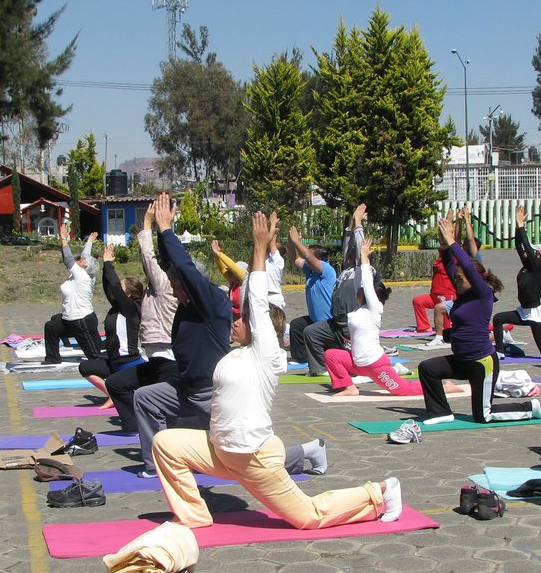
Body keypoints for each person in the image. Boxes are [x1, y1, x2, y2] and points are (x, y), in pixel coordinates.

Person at [151, 210, 403, 536]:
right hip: (220, 451)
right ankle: (194, 516)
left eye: (241, 320)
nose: (234, 322)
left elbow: (256, 299)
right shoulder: (235, 354)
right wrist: (160, 234)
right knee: (165, 444)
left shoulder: (265, 354)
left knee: (308, 516)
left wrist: (259, 248)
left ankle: (381, 491)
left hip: (255, 458)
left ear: (261, 330)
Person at [406, 216, 541, 440]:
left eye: (460, 279)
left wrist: (453, 242)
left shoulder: (483, 295)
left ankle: (528, 407)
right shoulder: (462, 292)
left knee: (483, 415)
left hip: (481, 364)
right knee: (428, 368)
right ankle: (441, 412)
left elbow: (466, 265)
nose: (455, 281)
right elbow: (452, 265)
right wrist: (444, 244)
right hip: (462, 360)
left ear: (473, 279)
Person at [131, 193, 233, 478]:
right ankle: (156, 466)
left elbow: (185, 268)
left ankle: (305, 453)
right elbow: (169, 266)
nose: (172, 290)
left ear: (189, 286)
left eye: (176, 286)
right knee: (145, 398)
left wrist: (167, 230)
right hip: (186, 389)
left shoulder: (211, 303)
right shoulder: (186, 305)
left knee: (248, 456)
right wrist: (152, 228)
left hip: (211, 394)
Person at [324, 236, 466, 398]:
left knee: (403, 390)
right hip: (357, 362)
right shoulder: (358, 308)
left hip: (374, 364)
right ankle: (348, 387)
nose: (357, 290)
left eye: (362, 290)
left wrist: (364, 259)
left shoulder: (374, 308)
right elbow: (359, 280)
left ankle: (445, 387)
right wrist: (357, 232)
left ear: (369, 295)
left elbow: (367, 282)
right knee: (332, 355)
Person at [105, 201, 179, 434]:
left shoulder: (165, 284)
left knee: (159, 409)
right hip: (155, 360)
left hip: (169, 361)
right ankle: (133, 426)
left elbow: (148, 257)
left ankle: (166, 438)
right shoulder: (155, 289)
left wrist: (148, 224)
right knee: (116, 384)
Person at [301, 204, 367, 376]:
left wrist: (359, 224)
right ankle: (320, 369)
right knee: (310, 332)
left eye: (355, 254)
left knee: (356, 363)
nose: (351, 255)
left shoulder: (363, 272)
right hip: (335, 321)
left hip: (350, 323)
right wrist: (351, 226)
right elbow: (347, 248)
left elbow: (359, 249)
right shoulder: (347, 270)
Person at [78, 244, 145, 409]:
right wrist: (104, 266)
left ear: (128, 294)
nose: (117, 291)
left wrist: (109, 264)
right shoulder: (118, 307)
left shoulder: (131, 309)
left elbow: (114, 286)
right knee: (85, 367)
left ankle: (119, 394)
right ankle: (112, 395)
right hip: (113, 362)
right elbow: (109, 288)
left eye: (122, 288)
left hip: (128, 363)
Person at [493, 206, 541, 360]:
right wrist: (518, 227)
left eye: (533, 251)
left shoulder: (539, 267)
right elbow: (520, 245)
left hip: (535, 314)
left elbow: (527, 249)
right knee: (498, 318)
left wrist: (523, 227)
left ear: (538, 256)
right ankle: (499, 351)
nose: (528, 252)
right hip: (523, 311)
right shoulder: (527, 265)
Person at [43, 233, 102, 364]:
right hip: (69, 320)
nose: (77, 261)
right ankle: (53, 358)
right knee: (51, 326)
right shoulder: (81, 273)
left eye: (79, 261)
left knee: (95, 357)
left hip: (82, 322)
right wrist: (90, 242)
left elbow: (68, 259)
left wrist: (63, 239)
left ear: (84, 267)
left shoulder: (83, 277)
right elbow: (85, 256)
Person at [286, 226, 337, 367]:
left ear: (319, 258)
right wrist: (291, 241)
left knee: (310, 331)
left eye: (310, 255)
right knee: (296, 325)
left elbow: (308, 256)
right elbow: (293, 258)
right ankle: (301, 358)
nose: (306, 258)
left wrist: (297, 242)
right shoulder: (310, 270)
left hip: (328, 322)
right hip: (315, 320)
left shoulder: (326, 270)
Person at [413, 211, 458, 345]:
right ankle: (424, 327)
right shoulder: (440, 257)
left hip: (447, 295)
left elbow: (452, 239)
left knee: (449, 328)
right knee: (418, 301)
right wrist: (444, 224)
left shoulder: (452, 258)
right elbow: (443, 240)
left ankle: (495, 330)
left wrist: (452, 221)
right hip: (434, 295)